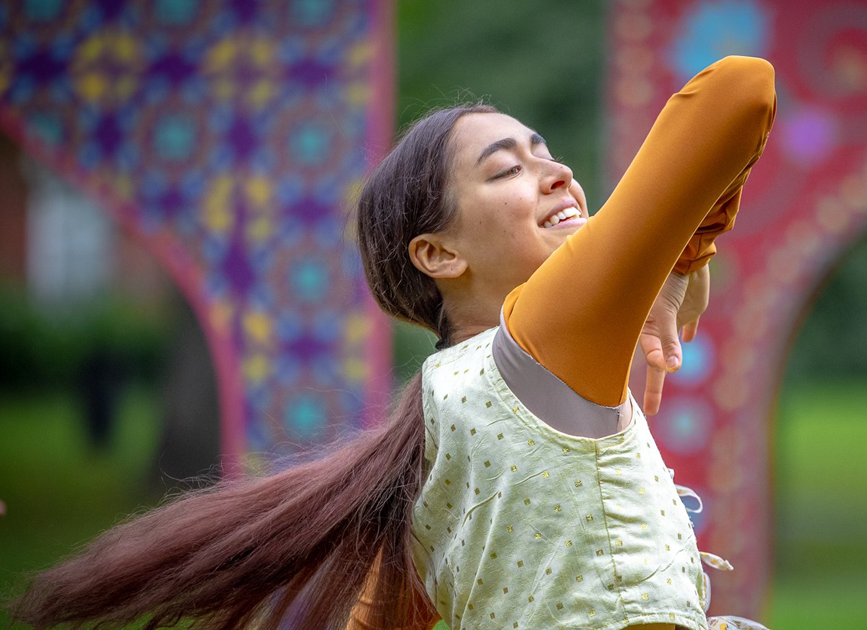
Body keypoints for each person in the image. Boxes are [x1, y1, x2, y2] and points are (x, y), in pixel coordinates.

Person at [7, 56, 775, 630]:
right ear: (440, 255)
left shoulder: (435, 435)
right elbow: (741, 89)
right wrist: (681, 262)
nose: (559, 174)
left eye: (545, 153)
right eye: (509, 169)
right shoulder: (552, 327)